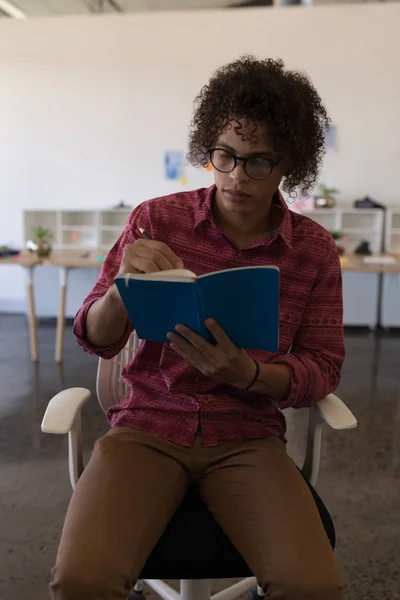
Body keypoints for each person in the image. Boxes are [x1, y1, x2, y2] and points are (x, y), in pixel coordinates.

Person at [50, 56, 345, 600]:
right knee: (81, 582)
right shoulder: (156, 219)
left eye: (259, 162)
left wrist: (251, 373)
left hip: (247, 435)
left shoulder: (312, 250)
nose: (236, 175)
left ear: (289, 165)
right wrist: (121, 285)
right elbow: (93, 335)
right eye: (226, 155)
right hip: (147, 425)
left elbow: (323, 367)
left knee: (313, 586)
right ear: (208, 147)